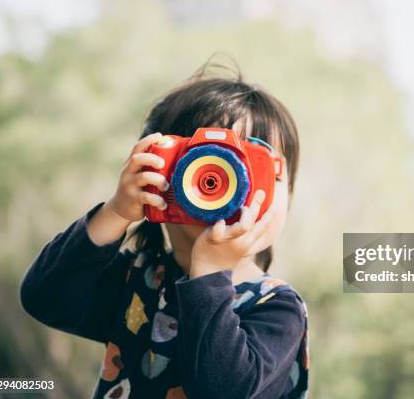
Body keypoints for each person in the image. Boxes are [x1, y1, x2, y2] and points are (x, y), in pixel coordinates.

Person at [19, 61, 309, 399]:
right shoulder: (138, 282)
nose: (231, 186)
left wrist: (210, 272)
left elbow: (225, 391)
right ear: (157, 174)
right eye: (211, 164)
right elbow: (45, 298)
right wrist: (116, 211)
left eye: (257, 168)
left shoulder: (275, 308)